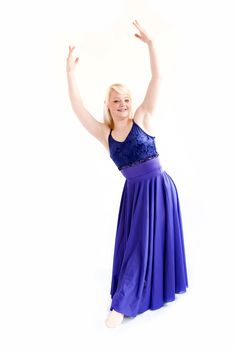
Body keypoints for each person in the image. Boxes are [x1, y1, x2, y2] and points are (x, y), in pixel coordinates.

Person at [66, 19, 188, 328]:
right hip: (134, 194)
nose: (122, 105)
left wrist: (152, 44)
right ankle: (126, 300)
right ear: (107, 105)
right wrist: (70, 74)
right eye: (116, 101)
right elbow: (78, 107)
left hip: (159, 188)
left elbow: (158, 77)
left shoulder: (143, 117)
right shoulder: (104, 134)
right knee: (136, 245)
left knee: (144, 245)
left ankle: (122, 305)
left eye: (126, 100)